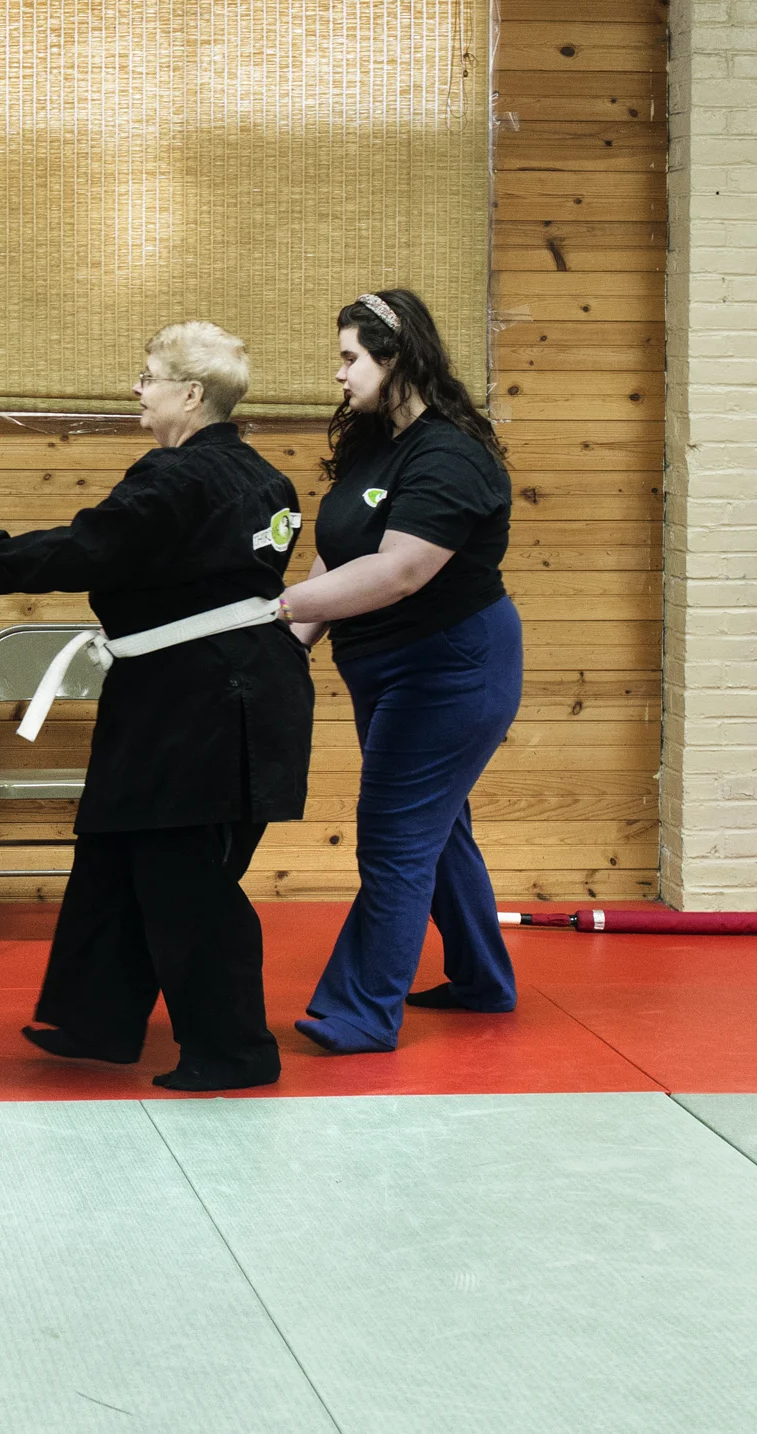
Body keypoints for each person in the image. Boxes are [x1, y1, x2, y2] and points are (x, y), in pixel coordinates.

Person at [0, 322, 313, 1092]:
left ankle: (234, 1053)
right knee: (116, 854)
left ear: (190, 394)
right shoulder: (267, 480)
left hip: (209, 707)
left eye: (148, 375)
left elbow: (89, 548)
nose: (136, 388)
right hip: (192, 693)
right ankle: (96, 1018)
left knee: (185, 878)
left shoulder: (175, 478)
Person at [278, 288, 521, 1054]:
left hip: (449, 666)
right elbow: (338, 557)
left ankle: (358, 1012)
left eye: (350, 357)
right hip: (381, 667)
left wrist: (273, 612)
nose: (339, 374)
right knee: (437, 831)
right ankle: (483, 981)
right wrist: (288, 642)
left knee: (394, 838)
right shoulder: (372, 445)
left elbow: (398, 573)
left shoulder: (450, 453)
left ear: (396, 359)